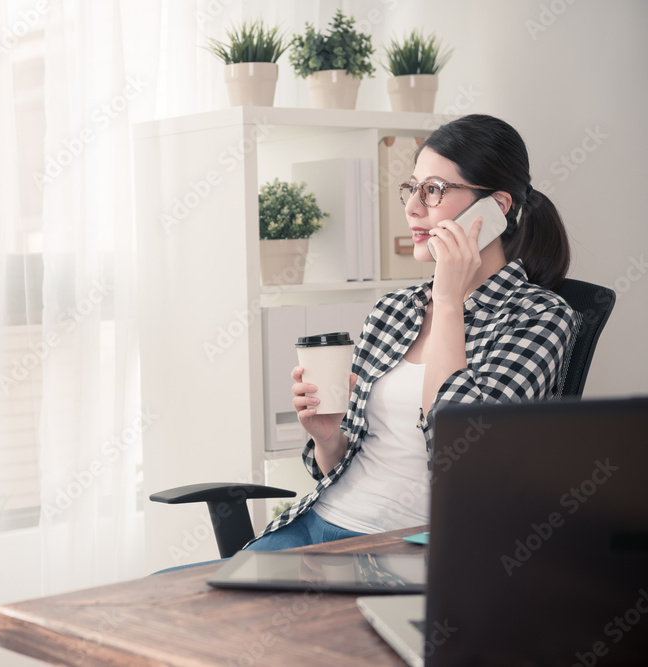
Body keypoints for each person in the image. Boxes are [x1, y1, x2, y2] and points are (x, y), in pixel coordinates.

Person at [246, 114, 576, 551]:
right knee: (170, 604)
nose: (412, 208)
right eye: (412, 188)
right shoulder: (393, 309)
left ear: (497, 208)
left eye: (434, 190)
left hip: (415, 548)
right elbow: (341, 465)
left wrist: (449, 300)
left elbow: (459, 452)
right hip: (315, 523)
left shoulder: (540, 318)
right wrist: (328, 438)